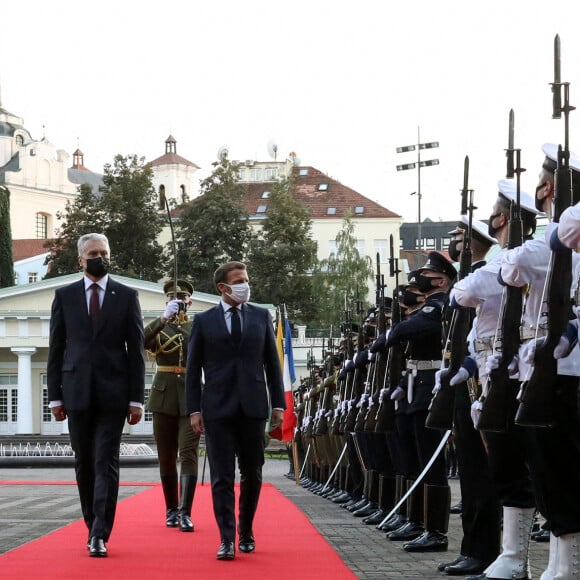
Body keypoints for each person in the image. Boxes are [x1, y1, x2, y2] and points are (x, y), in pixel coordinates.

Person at [47, 233, 145, 558]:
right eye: (93, 253)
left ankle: (100, 532)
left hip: (114, 396)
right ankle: (92, 525)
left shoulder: (127, 296)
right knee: (83, 463)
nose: (99, 257)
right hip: (75, 395)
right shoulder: (64, 296)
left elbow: (137, 352)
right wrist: (55, 398)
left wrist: (136, 399)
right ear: (80, 259)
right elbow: (56, 349)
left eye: (104, 251)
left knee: (105, 461)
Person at [186, 261, 285, 561]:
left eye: (246, 279)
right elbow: (192, 371)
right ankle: (226, 538)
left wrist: (278, 405)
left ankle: (247, 529)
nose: (245, 284)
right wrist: (193, 410)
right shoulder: (203, 321)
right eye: (239, 280)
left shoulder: (260, 316)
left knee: (253, 473)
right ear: (222, 288)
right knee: (222, 477)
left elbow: (272, 363)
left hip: (254, 407)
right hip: (217, 409)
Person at [436, 216, 501, 576]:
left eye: (459, 237)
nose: (454, 243)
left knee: (479, 472)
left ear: (474, 241)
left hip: (480, 380)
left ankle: (484, 550)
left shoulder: (488, 274)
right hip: (464, 379)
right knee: (471, 471)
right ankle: (471, 548)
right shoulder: (468, 278)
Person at [384, 251, 457, 553]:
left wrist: (395, 329)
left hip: (430, 389)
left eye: (427, 275)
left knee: (430, 462)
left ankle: (436, 530)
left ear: (440, 280)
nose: (422, 279)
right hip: (417, 388)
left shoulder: (440, 306)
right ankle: (417, 521)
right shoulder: (430, 307)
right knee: (415, 458)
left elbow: (405, 331)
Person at [144, 279, 200, 531]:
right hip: (163, 396)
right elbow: (139, 340)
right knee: (166, 457)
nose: (178, 301)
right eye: (173, 298)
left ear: (190, 301)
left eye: (183, 297)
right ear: (166, 301)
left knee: (188, 453)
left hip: (190, 396)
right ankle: (170, 509)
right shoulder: (160, 327)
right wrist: (162, 320)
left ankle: (185, 512)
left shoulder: (197, 327)